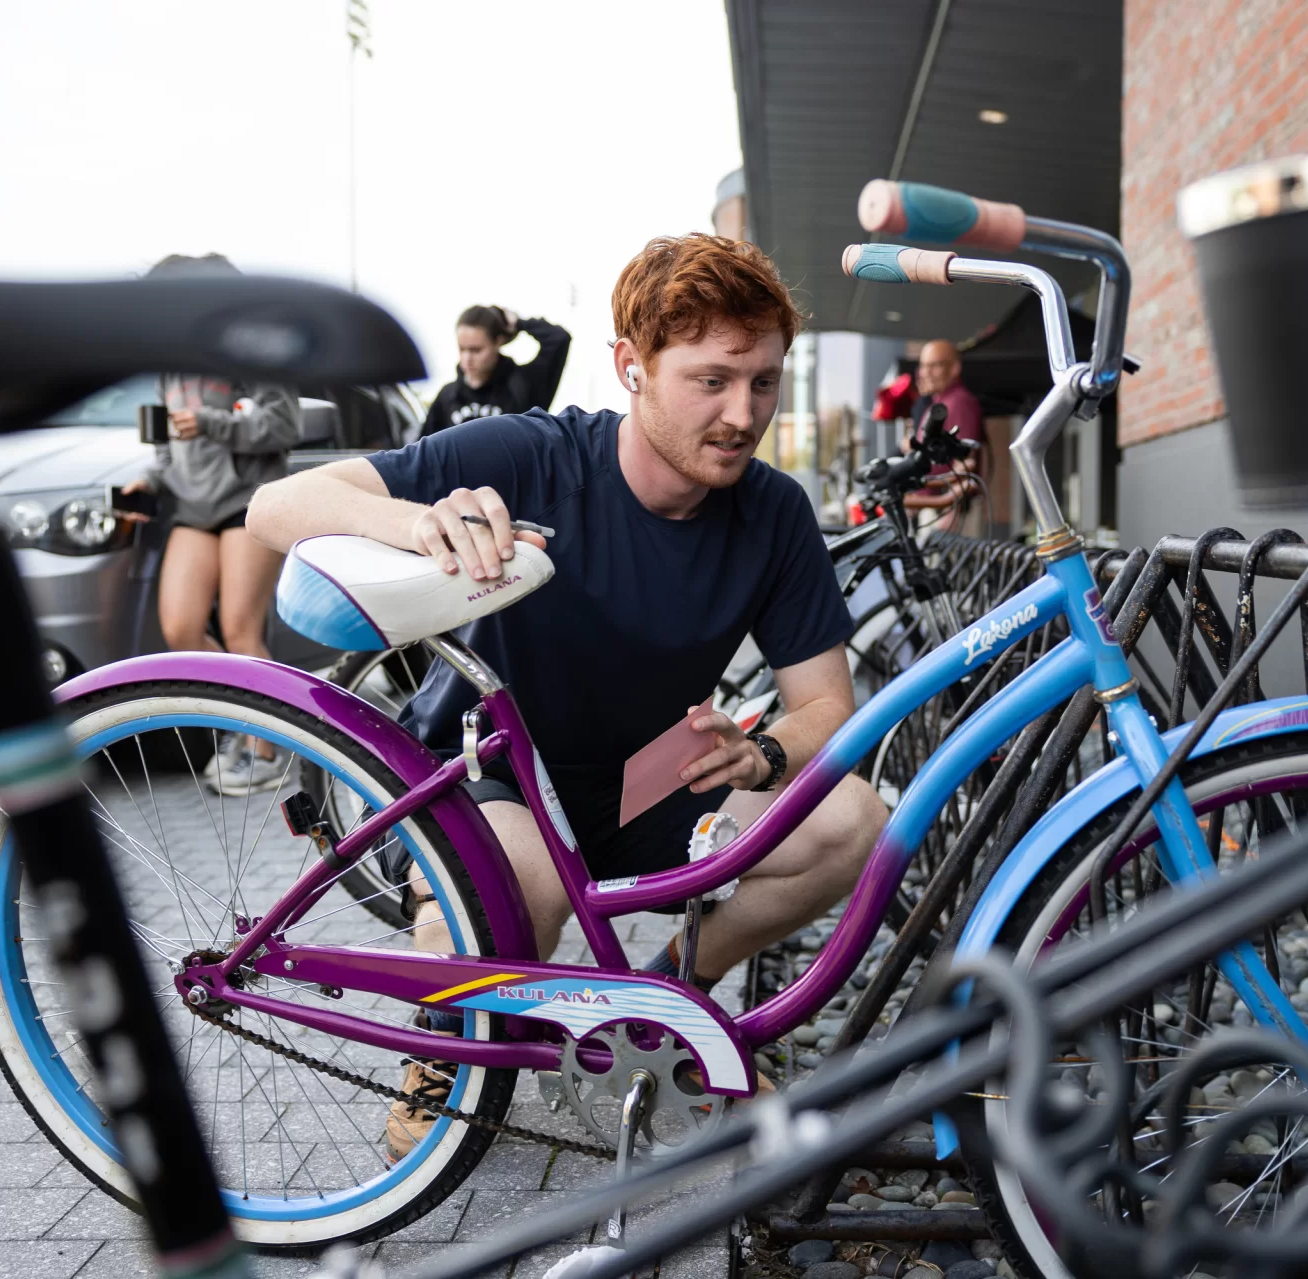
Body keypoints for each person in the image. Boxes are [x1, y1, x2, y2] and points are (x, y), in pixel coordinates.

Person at [248, 233, 886, 1158]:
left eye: (762, 382)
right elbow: (276, 506)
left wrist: (767, 751)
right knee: (526, 888)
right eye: (709, 380)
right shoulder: (533, 453)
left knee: (852, 820)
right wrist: (418, 520)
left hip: (650, 779)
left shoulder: (773, 510)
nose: (741, 413)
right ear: (630, 365)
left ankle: (673, 997)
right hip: (490, 775)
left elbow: (825, 702)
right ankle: (445, 1049)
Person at [120, 253, 302, 797]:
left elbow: (284, 424)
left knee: (243, 630)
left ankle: (264, 751)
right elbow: (169, 447)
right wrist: (148, 483)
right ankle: (256, 725)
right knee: (180, 631)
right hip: (193, 506)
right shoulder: (170, 363)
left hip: (249, 501)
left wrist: (212, 422)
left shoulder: (254, 349)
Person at [417, 305, 571, 436]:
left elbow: (559, 338)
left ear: (498, 342)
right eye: (462, 349)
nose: (467, 358)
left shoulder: (523, 385)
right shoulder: (447, 396)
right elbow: (421, 454)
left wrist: (518, 323)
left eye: (476, 350)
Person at [900, 339, 985, 528]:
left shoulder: (960, 402)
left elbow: (966, 463)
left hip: (947, 512)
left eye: (934, 366)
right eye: (923, 366)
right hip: (932, 508)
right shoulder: (939, 402)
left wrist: (951, 511)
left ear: (955, 368)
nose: (926, 373)